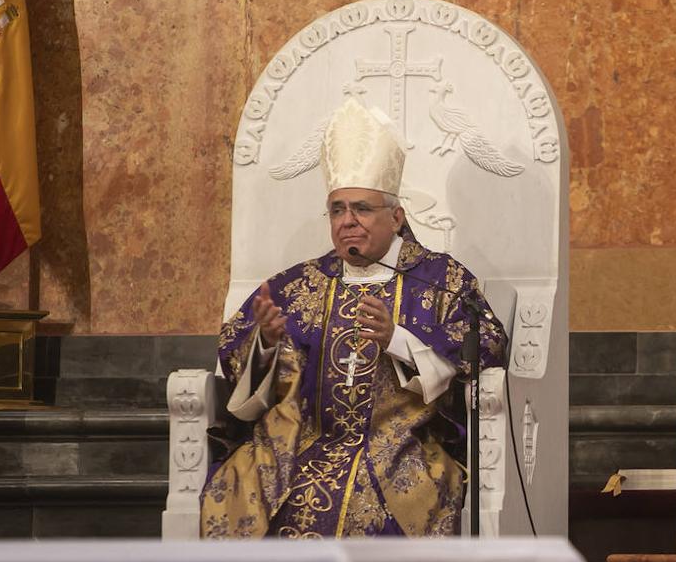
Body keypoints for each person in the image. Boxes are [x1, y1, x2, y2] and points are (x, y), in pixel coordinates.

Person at [201, 98, 507, 539]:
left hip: (402, 450)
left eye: (362, 208)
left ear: (396, 217)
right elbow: (235, 363)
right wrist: (264, 346)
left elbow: (488, 348)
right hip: (299, 449)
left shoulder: (442, 279)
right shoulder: (297, 285)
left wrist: (398, 340)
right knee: (241, 489)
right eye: (338, 209)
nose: (348, 221)